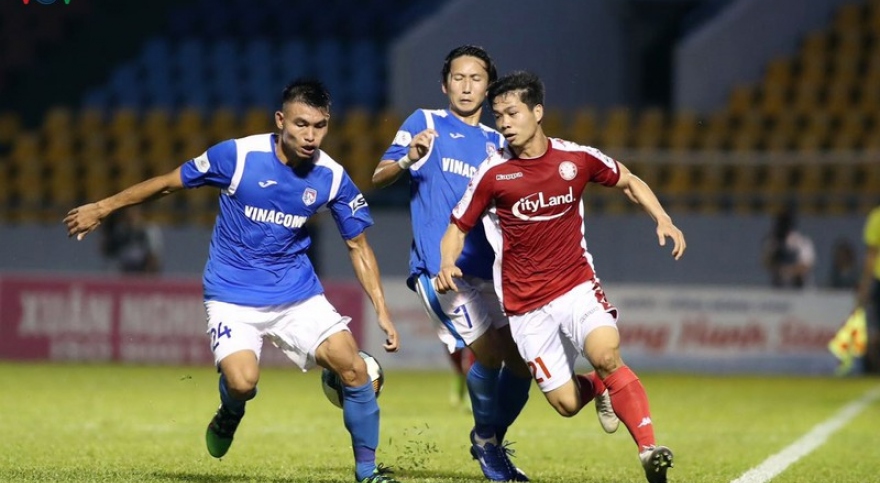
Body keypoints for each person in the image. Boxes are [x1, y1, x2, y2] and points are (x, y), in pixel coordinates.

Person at [64, 79, 403, 483]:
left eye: (320, 126)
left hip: (296, 295)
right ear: (280, 120)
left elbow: (358, 246)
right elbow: (169, 183)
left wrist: (381, 309)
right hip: (232, 295)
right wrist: (103, 207)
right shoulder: (238, 157)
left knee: (354, 368)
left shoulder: (331, 177)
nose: (311, 136)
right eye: (301, 124)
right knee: (243, 383)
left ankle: (368, 471)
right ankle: (230, 411)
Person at [372, 46, 618, 482]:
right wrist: (409, 157)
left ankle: (489, 439)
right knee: (486, 353)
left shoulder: (500, 141)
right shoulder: (424, 123)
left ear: (488, 89)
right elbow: (378, 176)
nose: (466, 87)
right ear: (444, 84)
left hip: (496, 274)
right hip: (441, 271)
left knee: (522, 363)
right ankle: (488, 445)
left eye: (476, 79)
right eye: (458, 78)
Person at [437, 71, 684, 483]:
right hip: (525, 307)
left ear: (537, 112)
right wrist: (447, 262)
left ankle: (648, 450)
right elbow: (457, 226)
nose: (504, 123)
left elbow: (628, 180)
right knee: (566, 404)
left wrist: (663, 218)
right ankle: (599, 387)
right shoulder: (493, 173)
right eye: (498, 116)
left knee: (607, 355)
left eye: (512, 113)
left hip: (576, 287)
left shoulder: (575, 159)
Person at [761, 207, 815, 288]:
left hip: (800, 286)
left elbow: (807, 265)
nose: (784, 227)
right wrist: (778, 266)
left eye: (786, 224)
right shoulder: (771, 242)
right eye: (781, 223)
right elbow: (765, 262)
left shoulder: (801, 241)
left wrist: (788, 270)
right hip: (778, 285)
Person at [100, 205, 163, 274]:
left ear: (139, 213)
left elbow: (154, 254)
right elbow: (108, 252)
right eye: (127, 213)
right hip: (123, 269)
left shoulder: (149, 230)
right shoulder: (120, 230)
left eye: (133, 212)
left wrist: (149, 271)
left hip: (142, 269)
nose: (130, 215)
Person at [857, 206, 880, 374]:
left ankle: (873, 369)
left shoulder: (876, 217)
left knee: (875, 330)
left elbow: (871, 254)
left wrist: (864, 286)